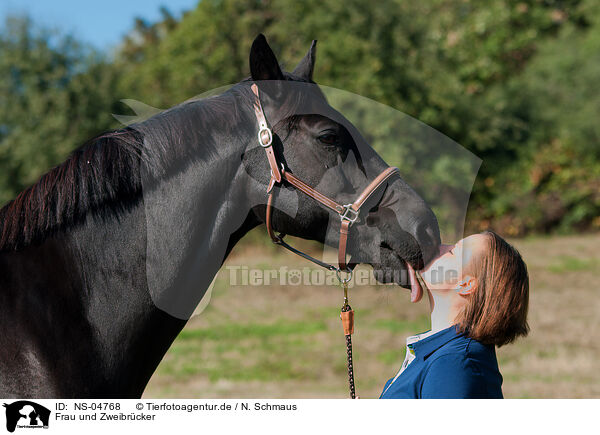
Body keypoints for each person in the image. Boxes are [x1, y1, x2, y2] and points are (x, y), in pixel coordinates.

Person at [379, 230, 529, 399]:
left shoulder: (454, 364)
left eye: (452, 251)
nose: (440, 246)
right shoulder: (446, 354)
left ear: (466, 285)